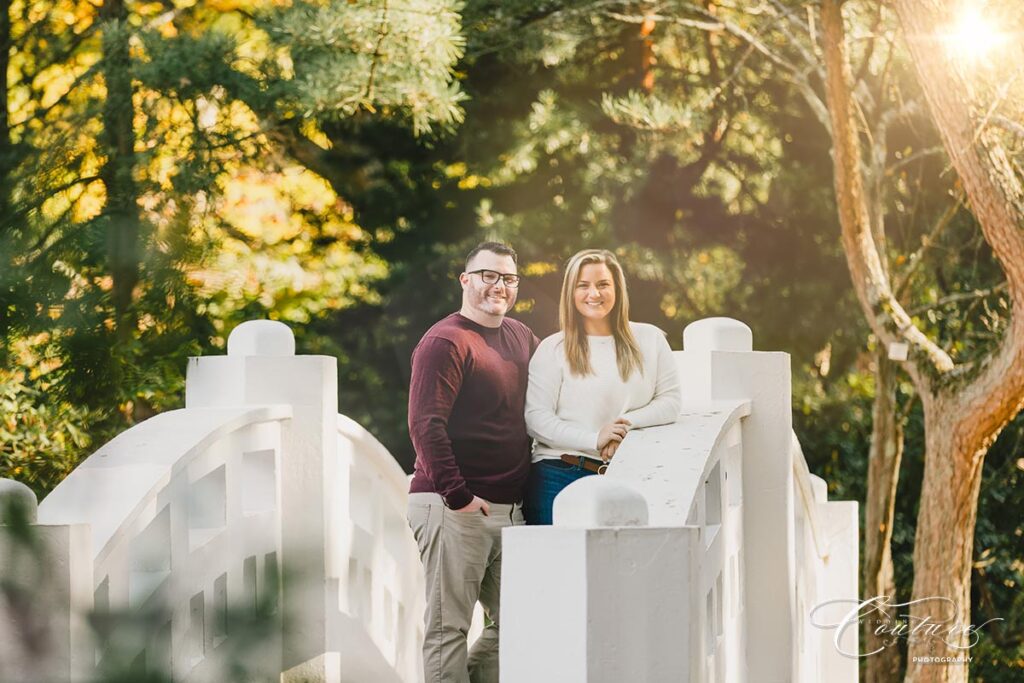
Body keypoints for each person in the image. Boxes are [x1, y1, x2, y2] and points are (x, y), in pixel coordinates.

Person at [406, 241, 539, 683]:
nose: (499, 286)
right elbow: (425, 425)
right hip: (453, 506)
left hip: (511, 509)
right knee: (449, 629)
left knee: (519, 623)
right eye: (488, 275)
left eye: (508, 278)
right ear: (466, 280)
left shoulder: (520, 337)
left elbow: (561, 387)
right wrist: (459, 496)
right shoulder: (444, 342)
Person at [524, 248, 681, 525]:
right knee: (560, 566)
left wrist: (623, 426)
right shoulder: (553, 348)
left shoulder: (650, 339)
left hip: (630, 474)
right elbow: (536, 419)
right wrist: (595, 438)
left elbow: (670, 401)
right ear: (570, 294)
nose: (593, 294)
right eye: (582, 286)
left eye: (603, 284)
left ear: (617, 289)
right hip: (559, 475)